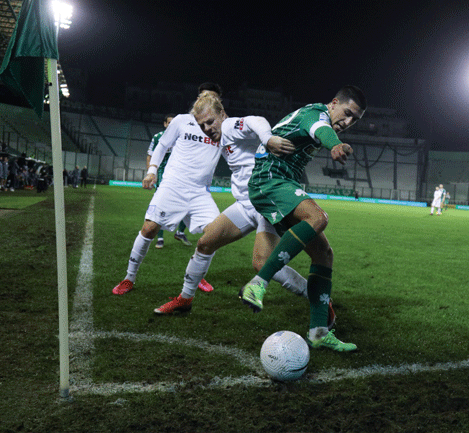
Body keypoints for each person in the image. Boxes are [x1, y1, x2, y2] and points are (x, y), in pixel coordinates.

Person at [152, 95, 335, 327]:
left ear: (222, 114)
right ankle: (185, 299)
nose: (207, 129)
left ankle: (318, 298)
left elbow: (255, 121)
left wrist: (268, 139)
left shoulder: (229, 126)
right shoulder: (218, 136)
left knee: (262, 264)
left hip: (265, 202)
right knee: (204, 244)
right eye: (202, 125)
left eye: (210, 122)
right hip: (245, 204)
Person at [239, 85, 366, 352]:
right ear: (333, 103)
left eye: (355, 119)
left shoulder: (320, 117)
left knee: (324, 253)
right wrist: (336, 145)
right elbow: (321, 130)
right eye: (347, 113)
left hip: (281, 184)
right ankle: (258, 284)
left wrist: (336, 142)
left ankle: (319, 332)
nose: (348, 122)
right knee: (318, 217)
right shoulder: (316, 115)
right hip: (269, 181)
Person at [112, 87, 224, 297]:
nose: (205, 99)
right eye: (202, 96)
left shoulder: (223, 128)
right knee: (149, 229)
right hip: (173, 186)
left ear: (218, 103)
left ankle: (196, 274)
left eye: (210, 97)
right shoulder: (182, 120)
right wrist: (152, 171)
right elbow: (162, 145)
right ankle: (129, 278)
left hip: (200, 192)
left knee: (215, 234)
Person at [146, 115, 192, 249]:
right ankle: (160, 238)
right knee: (161, 205)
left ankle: (180, 232)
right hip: (163, 175)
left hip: (181, 174)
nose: (172, 125)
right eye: (170, 123)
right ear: (165, 124)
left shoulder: (183, 136)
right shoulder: (157, 137)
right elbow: (150, 156)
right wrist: (151, 173)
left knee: (188, 205)